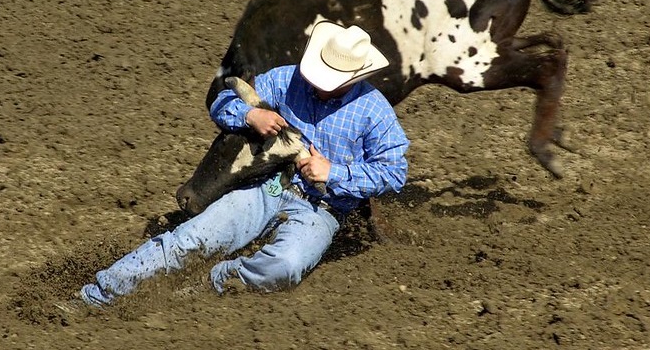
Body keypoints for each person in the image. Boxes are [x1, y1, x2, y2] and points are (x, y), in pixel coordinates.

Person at [77, 21, 410, 306]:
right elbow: (222, 99)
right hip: (266, 185)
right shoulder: (288, 79)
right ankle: (99, 294)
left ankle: (214, 281)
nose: (318, 84)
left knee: (286, 265)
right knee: (190, 240)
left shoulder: (374, 112)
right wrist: (251, 114)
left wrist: (333, 172)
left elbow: (394, 173)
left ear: (353, 78)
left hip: (321, 209)